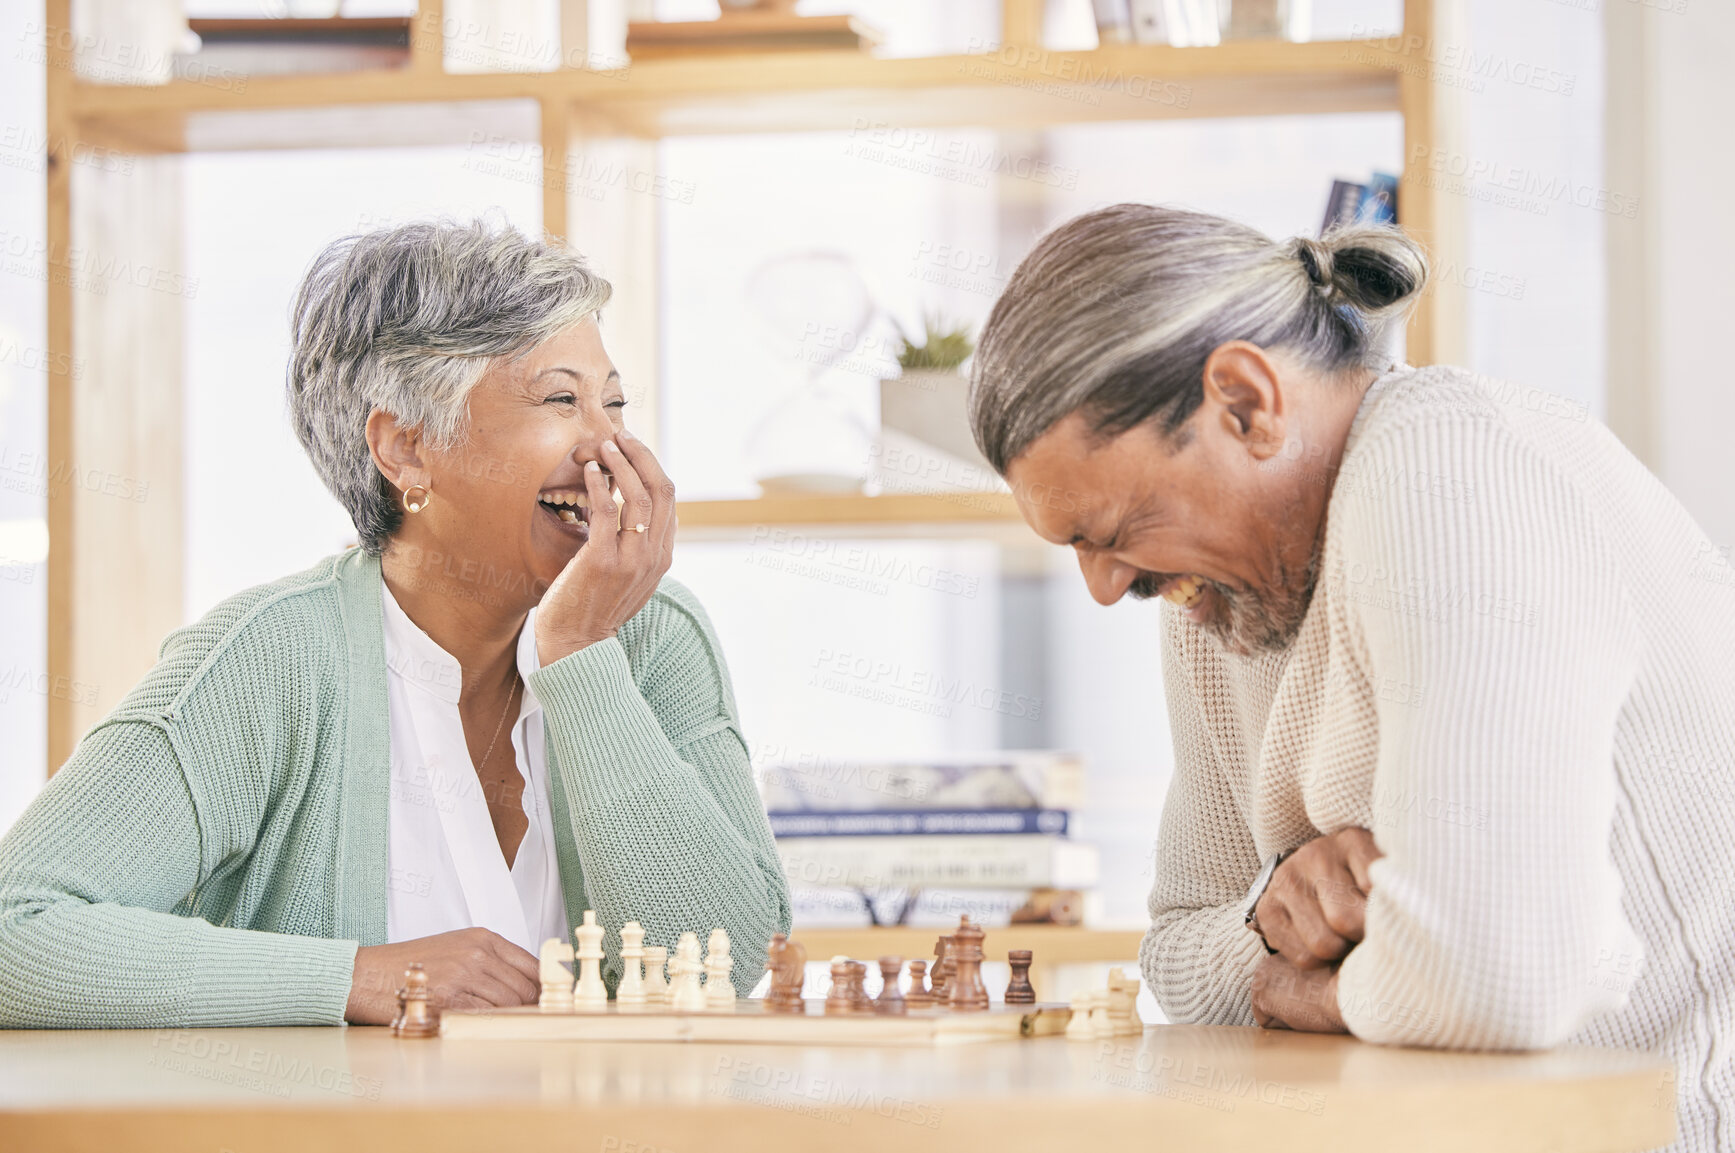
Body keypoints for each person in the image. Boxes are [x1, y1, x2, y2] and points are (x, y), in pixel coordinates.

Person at [969, 203, 1734, 1151]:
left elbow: (1501, 974)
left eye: (1112, 531)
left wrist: (1298, 983)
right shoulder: (1216, 589)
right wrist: (1283, 905)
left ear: (1245, 402)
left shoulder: (1449, 462)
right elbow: (1176, 952)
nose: (1102, 586)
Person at [0, 219, 790, 1027]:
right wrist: (359, 977)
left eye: (614, 402)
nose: (610, 446)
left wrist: (582, 654)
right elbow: (13, 930)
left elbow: (721, 965)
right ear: (407, 449)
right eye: (561, 399)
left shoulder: (653, 635)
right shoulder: (273, 657)